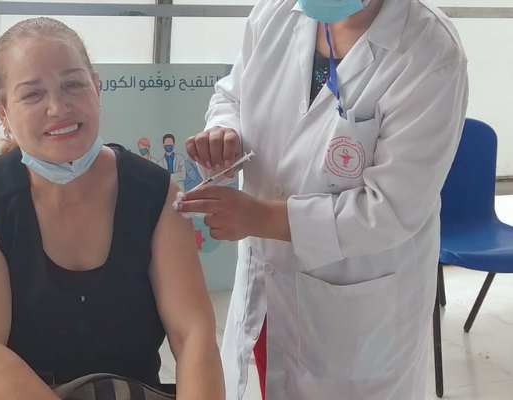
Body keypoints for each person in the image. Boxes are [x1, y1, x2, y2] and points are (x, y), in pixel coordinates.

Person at [178, 0, 469, 399]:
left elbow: (392, 209)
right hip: (269, 284)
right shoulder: (276, 12)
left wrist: (259, 218)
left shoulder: (429, 50)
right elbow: (233, 95)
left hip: (355, 310)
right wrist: (224, 132)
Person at [0, 17, 224, 400]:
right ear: (3, 112)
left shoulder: (155, 195)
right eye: (33, 94)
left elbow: (193, 335)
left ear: (97, 87)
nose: (59, 107)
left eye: (73, 85)